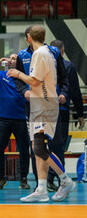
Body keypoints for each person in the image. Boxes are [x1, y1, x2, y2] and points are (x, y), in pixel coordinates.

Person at [8, 25, 75, 202]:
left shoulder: (39, 54)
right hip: (42, 105)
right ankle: (42, 189)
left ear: (28, 37)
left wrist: (17, 73)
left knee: (39, 148)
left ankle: (65, 180)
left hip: (44, 106)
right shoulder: (49, 52)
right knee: (39, 149)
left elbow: (35, 81)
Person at [0, 54, 30, 190]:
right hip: (3, 119)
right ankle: (0, 178)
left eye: (15, 58)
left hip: (20, 119)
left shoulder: (25, 77)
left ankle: (24, 179)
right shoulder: (2, 75)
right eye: (11, 58)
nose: (12, 60)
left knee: (24, 150)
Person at [46, 40, 85, 191]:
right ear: (62, 50)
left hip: (45, 111)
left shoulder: (44, 66)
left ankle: (49, 179)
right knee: (59, 146)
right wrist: (79, 114)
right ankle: (58, 180)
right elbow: (75, 92)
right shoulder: (68, 66)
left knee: (48, 146)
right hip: (60, 111)